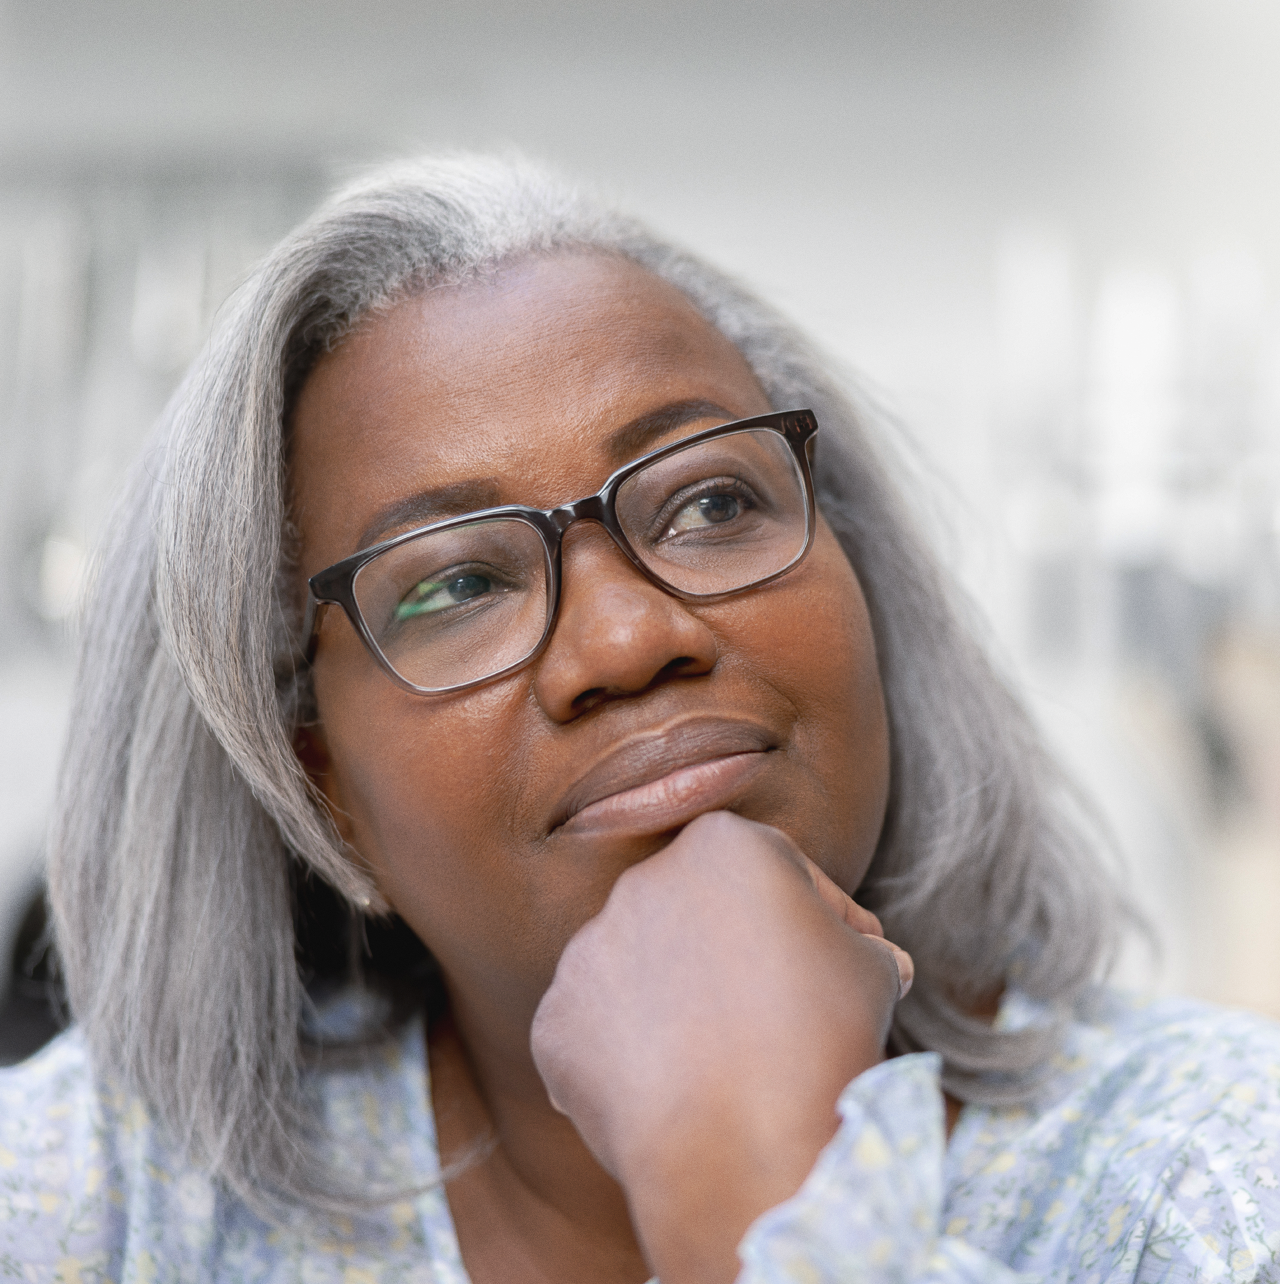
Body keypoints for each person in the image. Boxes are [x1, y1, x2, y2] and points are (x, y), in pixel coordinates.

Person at [2, 155, 1278, 1283]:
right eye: (454, 583)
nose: (625, 640)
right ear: (323, 788)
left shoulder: (1212, 1181)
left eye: (710, 502)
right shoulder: (86, 1211)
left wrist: (756, 1197)